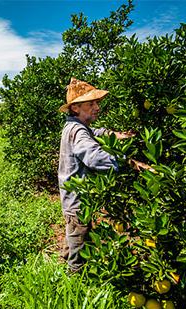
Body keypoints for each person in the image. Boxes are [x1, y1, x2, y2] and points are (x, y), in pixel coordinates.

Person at [58, 78, 150, 273]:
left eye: (97, 103)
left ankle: (61, 269)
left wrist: (114, 134)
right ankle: (74, 284)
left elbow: (94, 132)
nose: (97, 107)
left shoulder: (76, 127)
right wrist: (129, 163)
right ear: (75, 109)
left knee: (73, 240)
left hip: (74, 200)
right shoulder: (78, 131)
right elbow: (95, 157)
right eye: (91, 104)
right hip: (78, 203)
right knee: (79, 248)